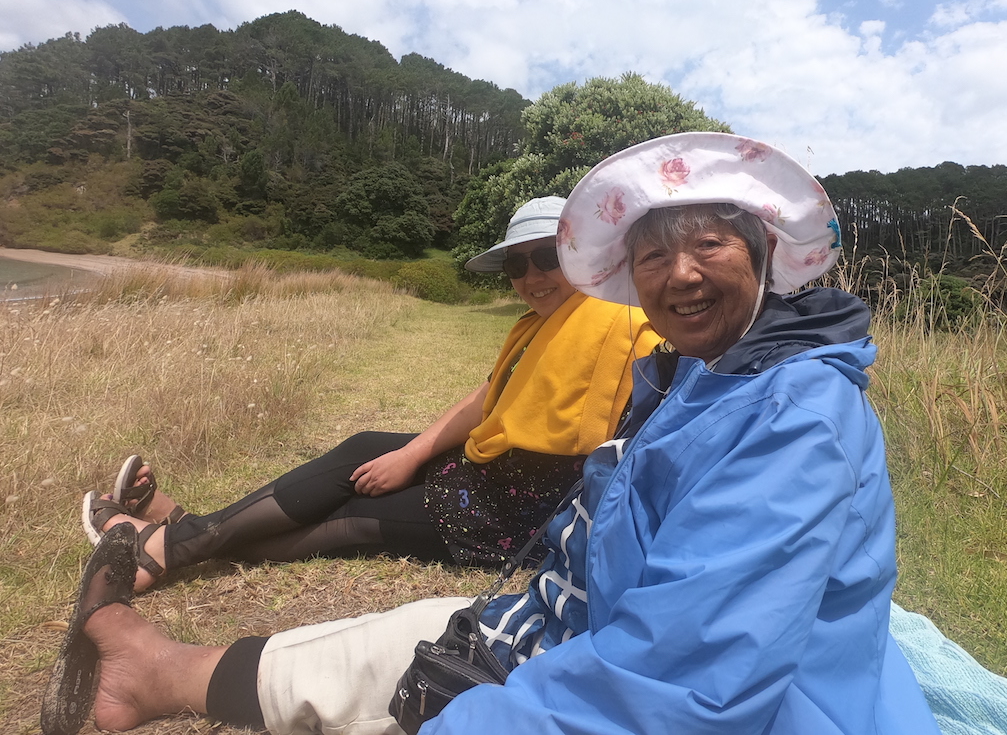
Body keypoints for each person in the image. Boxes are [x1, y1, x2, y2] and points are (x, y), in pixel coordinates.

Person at [46, 131, 940, 735]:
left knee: (393, 585)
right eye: (655, 253)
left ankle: (165, 590)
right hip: (590, 611)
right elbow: (513, 415)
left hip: (717, 689)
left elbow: (686, 683)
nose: (681, 273)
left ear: (765, 251)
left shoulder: (790, 415)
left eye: (710, 244)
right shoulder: (698, 367)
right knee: (414, 620)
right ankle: (160, 659)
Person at [81, 196, 659, 591]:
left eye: (548, 256)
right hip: (491, 469)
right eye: (517, 263)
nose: (531, 276)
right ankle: (185, 530)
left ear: (587, 256)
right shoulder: (538, 326)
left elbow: (649, 433)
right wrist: (413, 453)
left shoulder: (630, 321)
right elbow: (491, 397)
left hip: (522, 508)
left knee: (354, 516)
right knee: (365, 447)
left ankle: (161, 548)